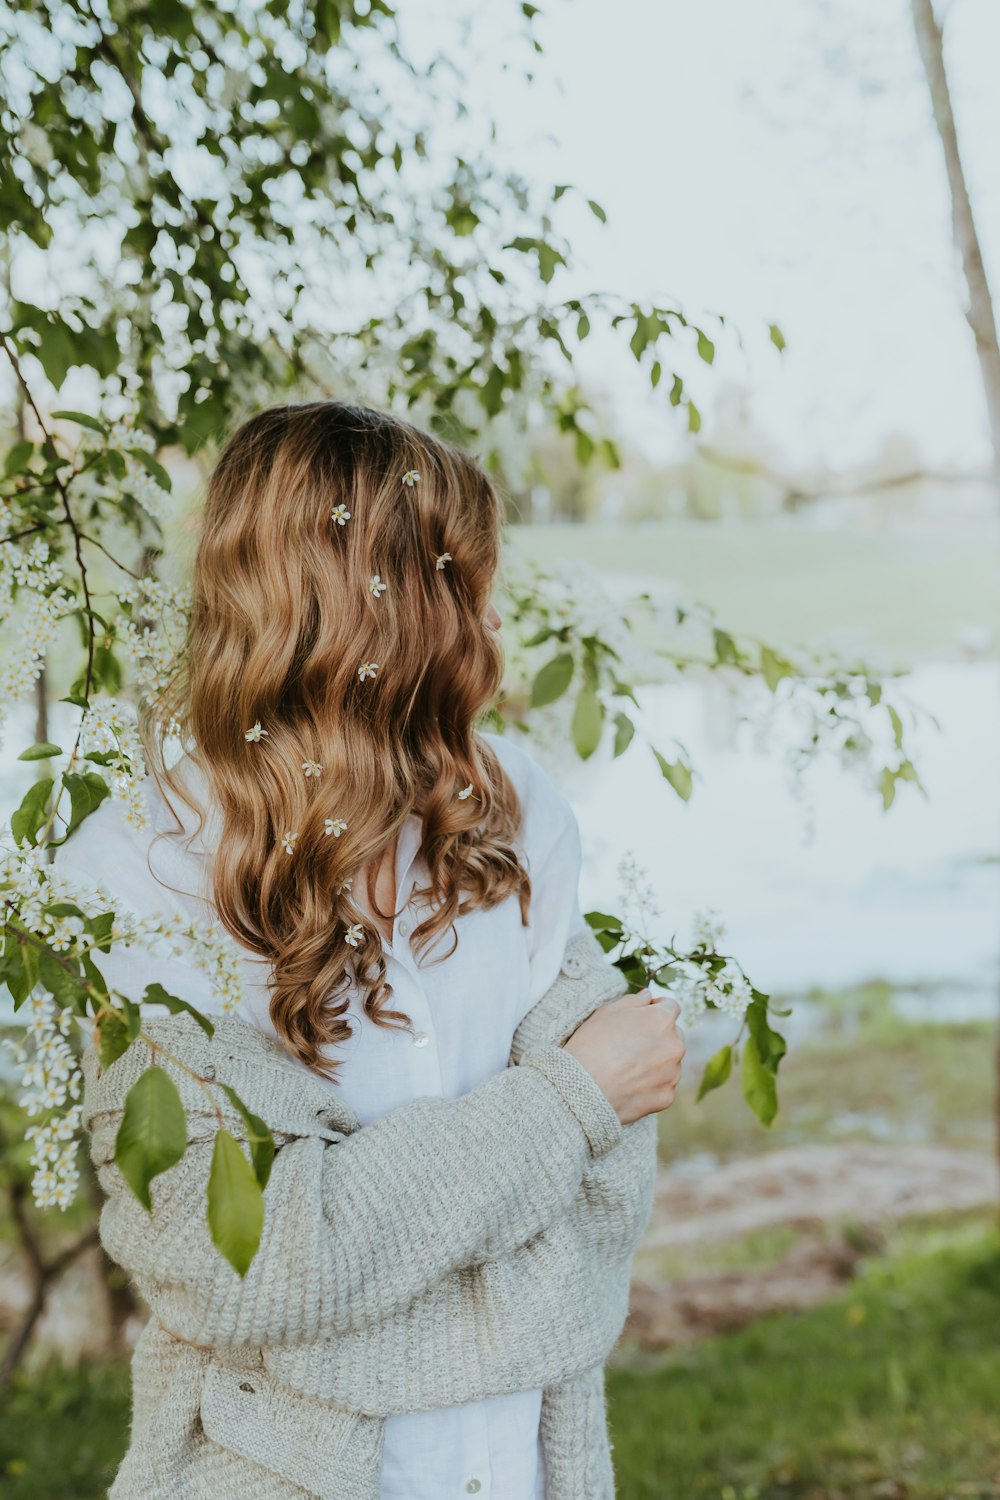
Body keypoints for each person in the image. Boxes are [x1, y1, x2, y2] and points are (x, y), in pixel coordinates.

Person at [61, 400, 685, 1500]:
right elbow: (249, 1263)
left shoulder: (512, 811)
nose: (486, 608)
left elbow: (607, 1194)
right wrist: (560, 1104)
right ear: (367, 604)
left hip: (527, 1460)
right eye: (455, 573)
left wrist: (367, 1260)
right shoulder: (139, 872)